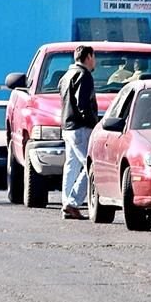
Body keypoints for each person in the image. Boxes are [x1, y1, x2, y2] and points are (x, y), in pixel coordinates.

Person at [59, 45, 98, 220]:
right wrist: (94, 124)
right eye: (94, 57)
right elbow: (83, 104)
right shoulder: (84, 75)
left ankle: (66, 202)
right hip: (81, 128)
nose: (94, 61)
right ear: (89, 56)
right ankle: (72, 203)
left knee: (71, 166)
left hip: (67, 127)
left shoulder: (66, 76)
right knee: (92, 166)